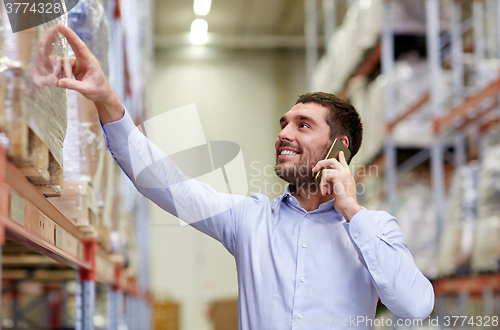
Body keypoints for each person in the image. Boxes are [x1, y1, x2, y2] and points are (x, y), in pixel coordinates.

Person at [55, 25, 434, 329]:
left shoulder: (376, 229)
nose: (284, 133)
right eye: (284, 124)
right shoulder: (248, 220)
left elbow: (415, 307)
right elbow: (165, 181)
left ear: (340, 147)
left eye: (303, 125)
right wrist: (106, 98)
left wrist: (352, 210)